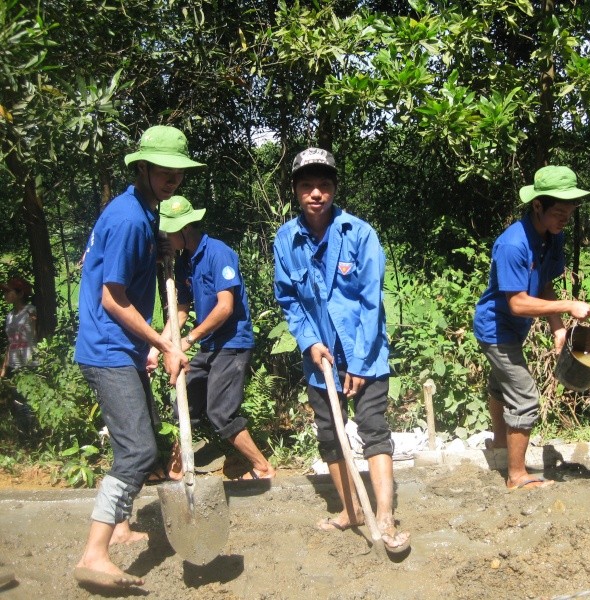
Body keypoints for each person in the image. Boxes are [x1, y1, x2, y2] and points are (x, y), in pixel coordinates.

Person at [73, 125, 203, 589]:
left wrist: (161, 247)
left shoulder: (143, 214)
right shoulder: (130, 217)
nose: (172, 179)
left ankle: (122, 525)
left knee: (138, 438)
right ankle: (94, 553)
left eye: (178, 172)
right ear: (143, 167)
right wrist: (165, 342)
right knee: (140, 448)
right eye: (163, 170)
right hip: (108, 348)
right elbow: (113, 298)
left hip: (120, 346)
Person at [273, 147, 409, 552]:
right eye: (307, 186)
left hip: (364, 351)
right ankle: (351, 510)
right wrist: (310, 342)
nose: (316, 193)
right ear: (296, 191)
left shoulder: (360, 234)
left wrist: (363, 363)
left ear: (334, 190)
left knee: (372, 427)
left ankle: (383, 514)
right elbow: (288, 299)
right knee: (330, 434)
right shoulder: (286, 240)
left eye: (324, 185)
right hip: (321, 358)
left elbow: (371, 303)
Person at [473, 165, 590, 490]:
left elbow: (544, 284)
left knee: (503, 386)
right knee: (525, 397)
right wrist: (568, 307)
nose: (564, 219)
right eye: (558, 212)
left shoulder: (553, 237)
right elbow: (517, 303)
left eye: (569, 213)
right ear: (537, 205)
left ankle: (501, 446)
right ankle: (516, 476)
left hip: (515, 329)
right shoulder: (513, 244)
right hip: (496, 330)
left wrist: (557, 328)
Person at [150, 195, 276, 481]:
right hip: (210, 344)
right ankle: (177, 467)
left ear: (185, 228)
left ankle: (263, 467)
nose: (167, 239)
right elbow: (181, 310)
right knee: (186, 401)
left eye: (170, 232)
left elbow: (225, 307)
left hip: (232, 344)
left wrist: (190, 339)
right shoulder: (184, 262)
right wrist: (159, 346)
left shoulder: (218, 253)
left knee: (220, 412)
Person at [1, 277, 37, 434]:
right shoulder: (9, 316)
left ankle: (35, 432)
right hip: (15, 363)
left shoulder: (30, 310)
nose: (5, 295)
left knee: (31, 400)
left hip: (29, 362)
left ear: (20, 293)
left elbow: (36, 334)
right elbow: (10, 342)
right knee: (18, 401)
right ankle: (26, 434)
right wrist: (4, 367)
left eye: (8, 292)